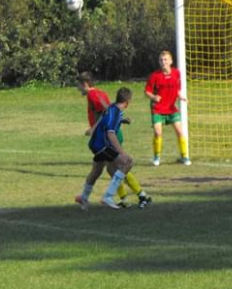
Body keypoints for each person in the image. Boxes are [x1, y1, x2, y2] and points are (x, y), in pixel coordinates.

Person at [76, 72, 151, 208]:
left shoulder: (102, 101)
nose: (77, 88)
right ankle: (114, 196)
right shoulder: (99, 96)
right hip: (104, 142)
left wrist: (95, 127)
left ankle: (85, 198)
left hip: (99, 141)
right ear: (127, 102)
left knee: (99, 170)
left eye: (78, 85)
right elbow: (109, 125)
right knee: (124, 164)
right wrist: (121, 152)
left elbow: (105, 113)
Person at [145, 50, 191, 166]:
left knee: (180, 131)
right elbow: (147, 92)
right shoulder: (155, 76)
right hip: (158, 109)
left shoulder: (176, 73)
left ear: (171, 61)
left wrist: (181, 97)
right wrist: (154, 97)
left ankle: (184, 157)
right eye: (161, 60)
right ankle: (156, 158)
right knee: (157, 132)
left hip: (171, 109)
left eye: (165, 60)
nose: (163, 62)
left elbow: (177, 89)